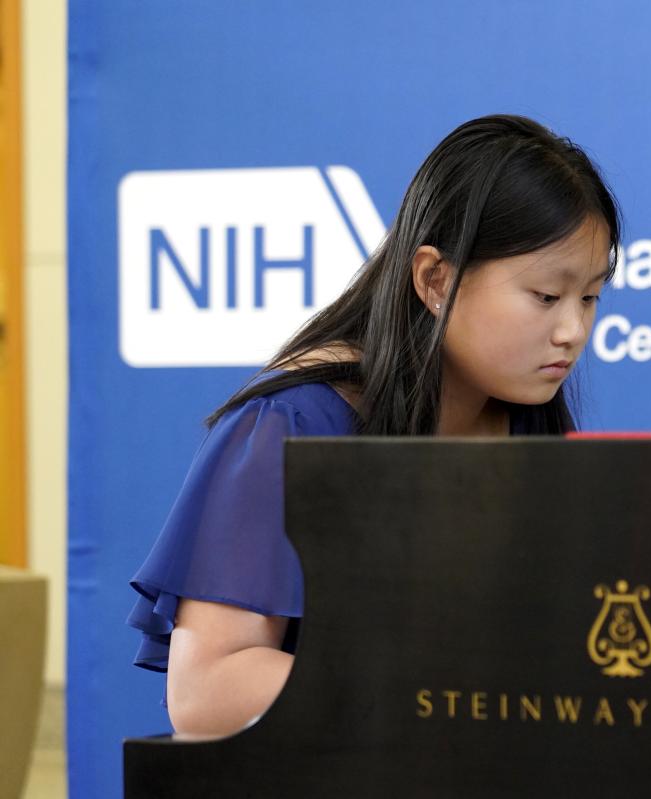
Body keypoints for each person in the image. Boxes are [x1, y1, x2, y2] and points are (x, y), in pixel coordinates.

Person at [126, 114, 621, 738]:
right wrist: (451, 696)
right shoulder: (293, 422)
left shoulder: (533, 429)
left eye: (591, 297)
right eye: (547, 297)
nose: (573, 331)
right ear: (435, 280)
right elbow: (206, 692)